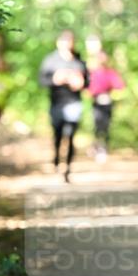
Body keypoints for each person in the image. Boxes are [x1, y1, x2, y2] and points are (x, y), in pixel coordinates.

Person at [38, 31, 89, 182]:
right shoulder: (51, 60)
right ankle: (56, 158)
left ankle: (67, 168)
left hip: (74, 103)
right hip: (57, 104)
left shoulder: (79, 61)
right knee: (58, 135)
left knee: (71, 135)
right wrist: (55, 79)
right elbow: (42, 80)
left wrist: (80, 83)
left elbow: (87, 82)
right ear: (58, 43)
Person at [87, 48, 125, 161]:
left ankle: (104, 148)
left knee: (106, 125)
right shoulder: (93, 73)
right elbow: (89, 88)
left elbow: (119, 85)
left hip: (107, 102)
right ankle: (97, 146)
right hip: (97, 102)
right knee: (98, 125)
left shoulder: (110, 73)